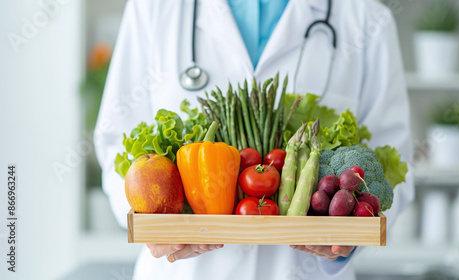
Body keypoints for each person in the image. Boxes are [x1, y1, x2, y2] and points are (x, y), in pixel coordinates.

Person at [94, 0, 414, 279]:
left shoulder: (368, 20)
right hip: (187, 272)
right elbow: (116, 146)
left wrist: (346, 243)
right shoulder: (153, 9)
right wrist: (159, 231)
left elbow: (396, 163)